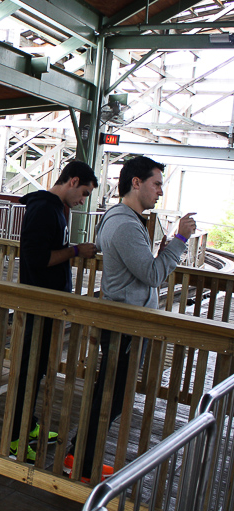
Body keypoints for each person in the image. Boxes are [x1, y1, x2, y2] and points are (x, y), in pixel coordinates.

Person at [63, 156, 197, 483]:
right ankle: (79, 462)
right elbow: (152, 274)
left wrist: (163, 251)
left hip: (125, 321)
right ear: (136, 183)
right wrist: (179, 241)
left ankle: (79, 457)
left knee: (110, 394)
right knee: (111, 396)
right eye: (157, 184)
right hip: (124, 325)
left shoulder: (123, 218)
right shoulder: (125, 223)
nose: (160, 192)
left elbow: (139, 268)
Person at [11, 160, 99, 462]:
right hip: (39, 300)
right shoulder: (43, 209)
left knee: (36, 368)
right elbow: (36, 259)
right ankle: (14, 435)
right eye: (85, 193)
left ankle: (27, 424)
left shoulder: (55, 209)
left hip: (49, 301)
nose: (83, 200)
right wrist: (75, 251)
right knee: (29, 368)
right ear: (73, 181)